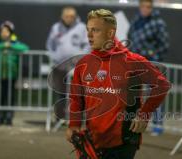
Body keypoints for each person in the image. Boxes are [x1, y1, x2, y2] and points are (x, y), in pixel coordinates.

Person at [66, 9, 170, 159]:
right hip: (91, 142)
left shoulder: (131, 60)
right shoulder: (83, 63)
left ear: (110, 33)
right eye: (88, 30)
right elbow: (76, 98)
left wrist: (144, 113)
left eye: (95, 30)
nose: (89, 35)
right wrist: (74, 125)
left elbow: (162, 85)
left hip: (123, 143)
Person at [128, 0, 170, 135]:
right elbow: (130, 38)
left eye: (149, 7)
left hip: (152, 64)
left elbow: (164, 44)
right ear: (140, 7)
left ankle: (158, 125)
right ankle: (135, 122)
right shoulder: (135, 21)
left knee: (155, 93)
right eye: (144, 6)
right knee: (135, 95)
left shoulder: (158, 23)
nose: (146, 9)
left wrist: (154, 57)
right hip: (136, 64)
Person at [46, 6, 90, 120]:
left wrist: (79, 57)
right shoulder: (56, 28)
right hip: (59, 66)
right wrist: (55, 56)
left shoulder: (82, 28)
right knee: (60, 91)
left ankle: (76, 117)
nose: (69, 18)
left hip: (76, 67)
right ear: (62, 16)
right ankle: (60, 118)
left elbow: (87, 45)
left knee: (77, 92)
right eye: (67, 16)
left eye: (72, 16)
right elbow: (50, 45)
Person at [0, 21, 29, 125]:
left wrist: (10, 46)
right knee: (1, 96)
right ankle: (0, 116)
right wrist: (4, 46)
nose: (4, 33)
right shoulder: (0, 44)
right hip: (0, 75)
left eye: (6, 31)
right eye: (2, 31)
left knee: (10, 96)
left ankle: (8, 116)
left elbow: (25, 48)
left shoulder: (15, 44)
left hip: (11, 75)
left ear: (11, 33)